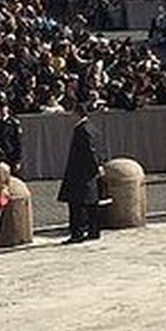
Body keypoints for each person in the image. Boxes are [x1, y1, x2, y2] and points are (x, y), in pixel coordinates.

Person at [58, 98, 104, 243]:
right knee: (92, 202)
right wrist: (99, 166)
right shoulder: (92, 128)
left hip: (80, 172)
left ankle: (77, 233)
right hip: (89, 172)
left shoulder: (81, 130)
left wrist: (94, 166)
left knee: (76, 204)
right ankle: (94, 230)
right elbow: (98, 149)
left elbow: (89, 151)